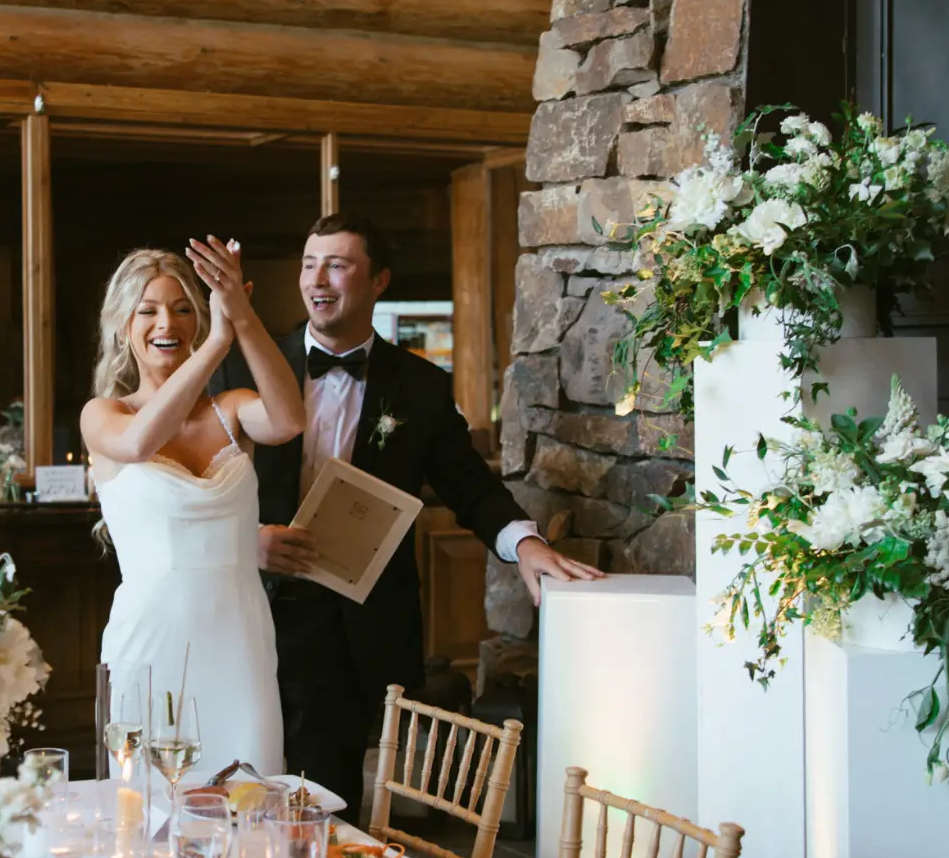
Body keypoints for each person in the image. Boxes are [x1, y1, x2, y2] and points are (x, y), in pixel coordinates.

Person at [234, 212, 603, 804]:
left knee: (326, 798)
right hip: (247, 607)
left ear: (379, 281)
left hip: (349, 625)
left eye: (337, 264)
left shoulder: (421, 388)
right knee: (235, 776)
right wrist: (244, 541)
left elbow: (467, 484)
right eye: (309, 264)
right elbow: (192, 479)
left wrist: (525, 543)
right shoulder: (243, 365)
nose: (317, 279)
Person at [81, 240, 304, 783]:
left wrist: (243, 319)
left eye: (184, 309)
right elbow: (138, 443)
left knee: (251, 798)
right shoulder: (103, 415)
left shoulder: (230, 411)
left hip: (240, 642)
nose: (168, 323)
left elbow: (289, 419)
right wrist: (217, 345)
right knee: (150, 812)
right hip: (151, 641)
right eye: (150, 309)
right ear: (122, 325)